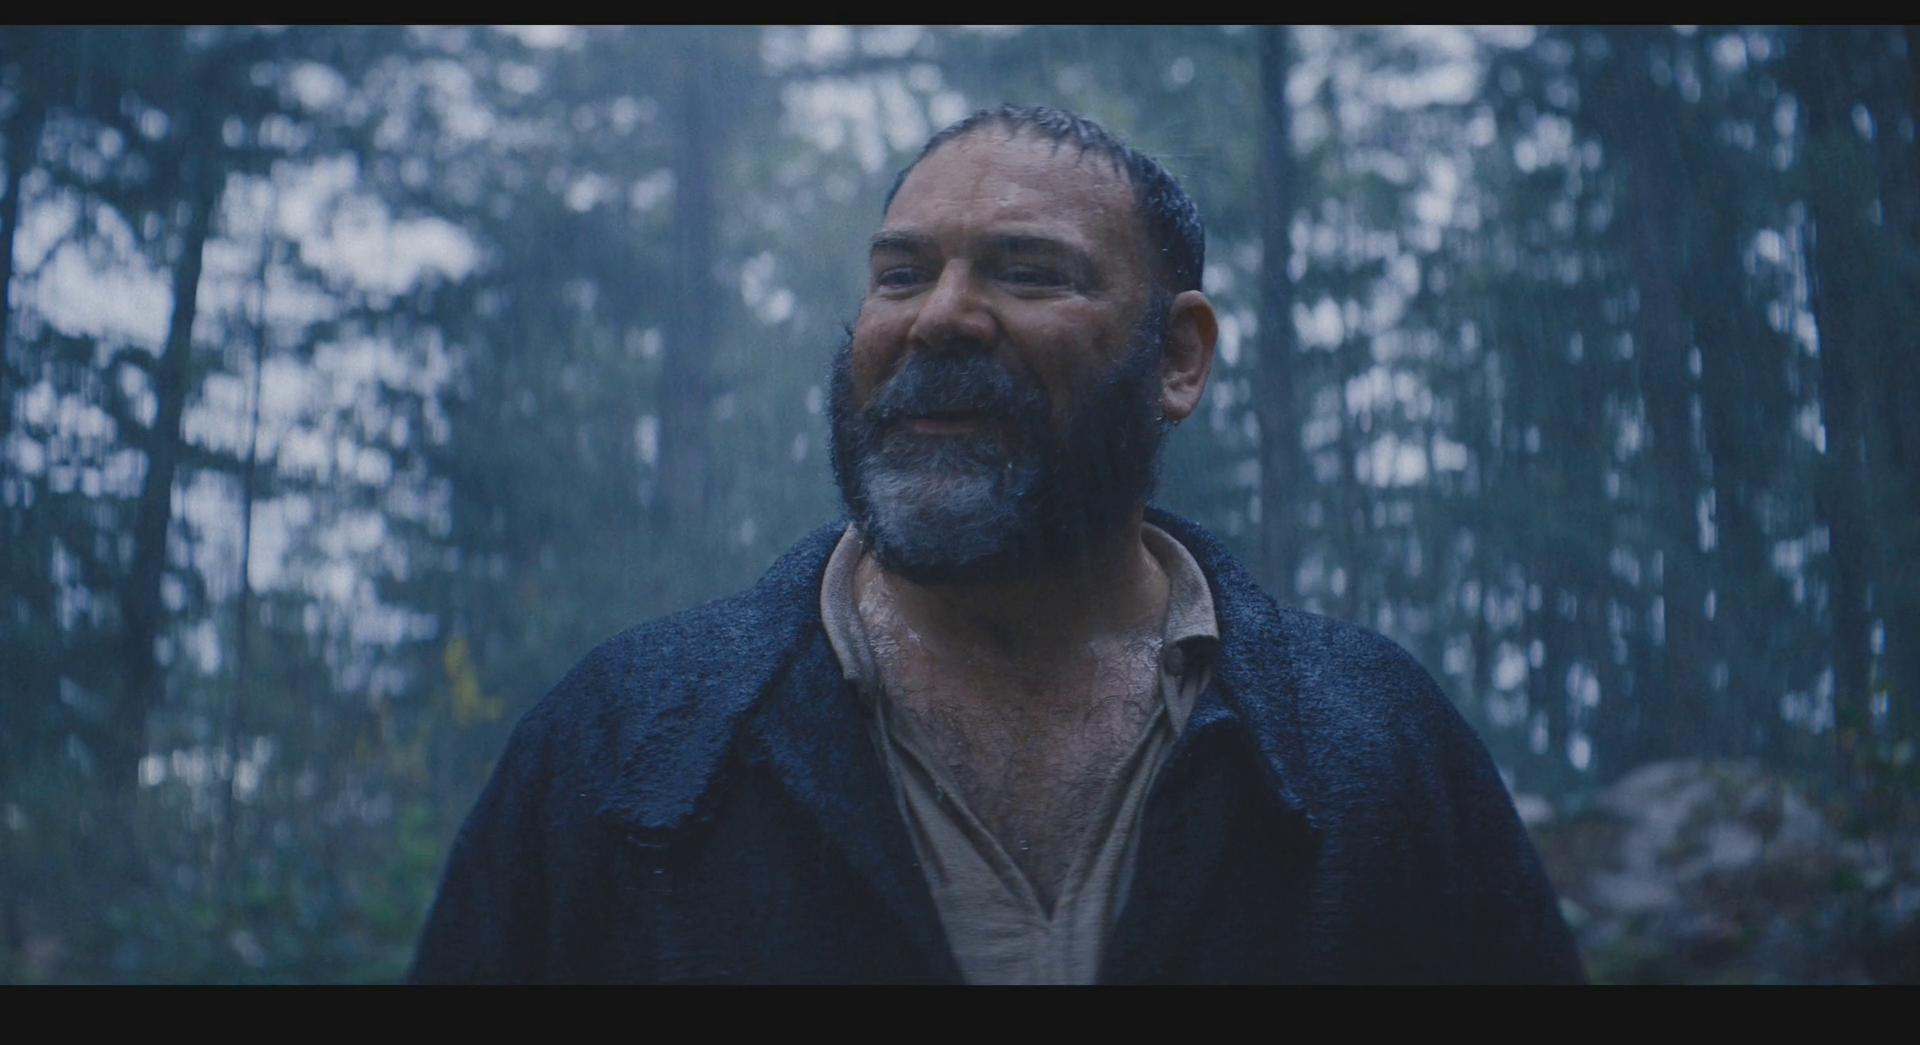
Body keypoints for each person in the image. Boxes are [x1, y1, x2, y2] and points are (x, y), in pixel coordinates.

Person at [410, 105, 1585, 984]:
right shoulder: (623, 745)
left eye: (1028, 273)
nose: (941, 317)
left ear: (1178, 359)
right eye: (900, 274)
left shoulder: (1378, 748)